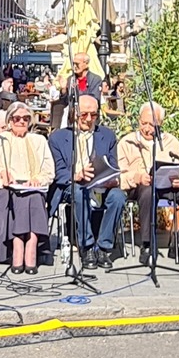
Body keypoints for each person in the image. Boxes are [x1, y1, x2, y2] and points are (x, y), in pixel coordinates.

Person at [119, 102, 179, 264]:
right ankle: (147, 245)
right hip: (140, 188)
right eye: (144, 123)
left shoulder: (170, 141)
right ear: (138, 120)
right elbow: (118, 175)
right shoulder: (127, 142)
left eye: (152, 125)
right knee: (147, 192)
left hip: (167, 186)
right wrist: (137, 177)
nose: (147, 129)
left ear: (160, 124)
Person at [48, 93, 124, 267]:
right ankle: (87, 246)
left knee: (118, 197)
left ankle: (104, 247)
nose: (89, 119)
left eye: (93, 115)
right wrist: (76, 175)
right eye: (84, 114)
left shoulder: (107, 135)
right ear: (74, 113)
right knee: (79, 192)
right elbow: (57, 172)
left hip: (100, 185)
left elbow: (114, 165)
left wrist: (112, 179)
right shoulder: (58, 138)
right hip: (72, 186)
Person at [0, 101, 53, 274]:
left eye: (26, 118)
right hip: (7, 186)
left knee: (34, 197)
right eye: (16, 118)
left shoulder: (39, 140)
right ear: (9, 121)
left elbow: (49, 170)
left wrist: (38, 179)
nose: (21, 121)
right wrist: (1, 173)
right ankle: (18, 245)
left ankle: (31, 247)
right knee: (17, 198)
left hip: (32, 185)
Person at [49, 50, 106, 129]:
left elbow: (94, 99)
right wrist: (63, 89)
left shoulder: (95, 79)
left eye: (77, 64)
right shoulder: (70, 79)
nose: (74, 66)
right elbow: (65, 102)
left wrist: (77, 92)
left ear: (86, 64)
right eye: (73, 64)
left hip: (89, 120)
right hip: (73, 122)